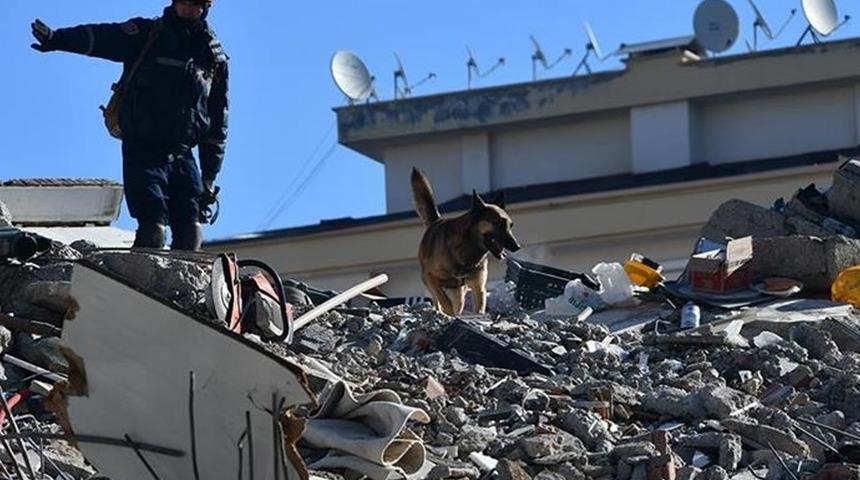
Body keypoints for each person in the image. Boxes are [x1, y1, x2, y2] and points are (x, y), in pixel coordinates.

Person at [31, 0, 228, 250]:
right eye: (184, 2)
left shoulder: (212, 55)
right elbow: (102, 37)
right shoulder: (148, 34)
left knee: (191, 230)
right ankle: (141, 273)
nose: (189, 8)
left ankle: (179, 277)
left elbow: (218, 121)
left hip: (182, 153)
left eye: (196, 4)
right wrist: (57, 39)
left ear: (206, 8)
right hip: (143, 147)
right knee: (153, 227)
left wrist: (209, 176)